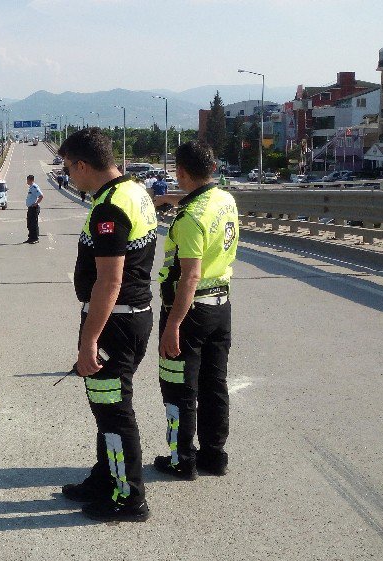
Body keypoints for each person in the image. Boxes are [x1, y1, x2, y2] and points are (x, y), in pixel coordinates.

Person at [57, 127, 158, 523]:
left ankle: (129, 497)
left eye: (68, 167)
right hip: (134, 317)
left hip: (115, 323)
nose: (68, 175)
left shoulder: (109, 209)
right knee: (107, 408)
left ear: (83, 165)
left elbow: (110, 281)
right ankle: (104, 478)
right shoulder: (133, 191)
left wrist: (89, 340)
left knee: (115, 413)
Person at [153, 141, 238, 481]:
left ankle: (182, 459)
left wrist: (173, 324)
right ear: (213, 169)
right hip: (221, 306)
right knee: (214, 384)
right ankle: (214, 456)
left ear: (181, 173)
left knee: (179, 389)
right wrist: (168, 200)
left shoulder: (189, 220)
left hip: (189, 312)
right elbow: (197, 202)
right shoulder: (224, 199)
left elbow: (189, 275)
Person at [24, 174, 43, 243]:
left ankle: (35, 238)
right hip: (30, 208)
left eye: (27, 180)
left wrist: (36, 203)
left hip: (34, 208)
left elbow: (41, 196)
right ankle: (31, 238)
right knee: (29, 223)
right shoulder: (31, 187)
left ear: (30, 180)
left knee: (34, 223)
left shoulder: (35, 187)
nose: (27, 181)